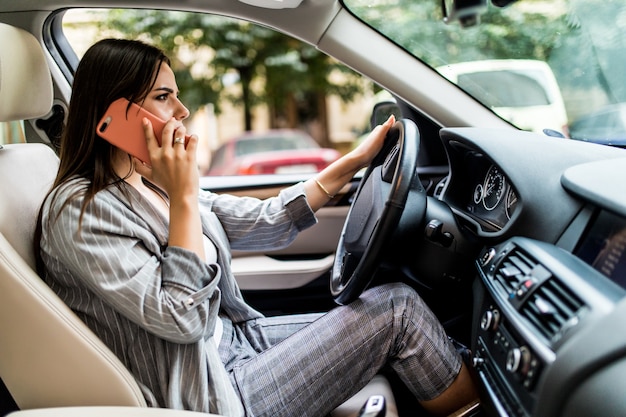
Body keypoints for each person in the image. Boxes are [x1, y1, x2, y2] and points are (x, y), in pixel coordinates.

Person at [36, 38, 477, 417]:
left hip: (239, 344)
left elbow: (267, 221)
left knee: (398, 311)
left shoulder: (147, 183)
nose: (183, 110)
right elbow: (182, 319)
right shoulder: (79, 210)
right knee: (397, 312)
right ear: (120, 112)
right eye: (164, 97)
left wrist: (356, 161)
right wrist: (185, 198)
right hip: (210, 394)